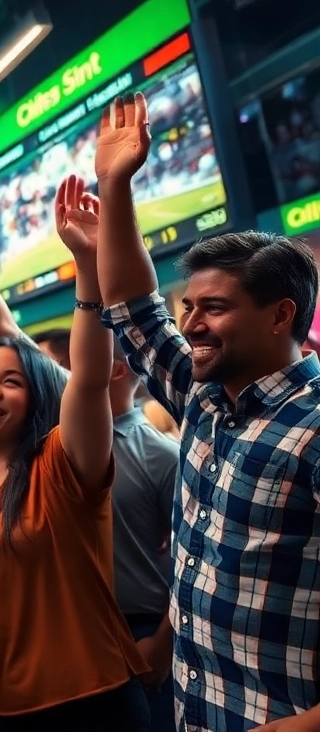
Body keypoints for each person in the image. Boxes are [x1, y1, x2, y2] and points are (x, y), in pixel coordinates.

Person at [96, 92, 320, 731]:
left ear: (281, 315)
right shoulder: (204, 401)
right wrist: (116, 186)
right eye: (188, 307)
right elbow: (135, 307)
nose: (190, 323)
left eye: (213, 308)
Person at [0, 177, 178, 729]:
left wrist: (89, 267)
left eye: (12, 382)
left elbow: (85, 378)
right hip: (1, 704)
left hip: (99, 685)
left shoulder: (65, 461)